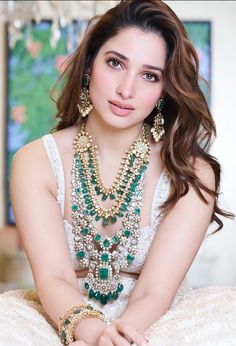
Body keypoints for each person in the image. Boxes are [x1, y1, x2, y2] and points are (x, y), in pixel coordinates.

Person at [0, 0, 236, 345]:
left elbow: (155, 290)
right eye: (115, 63)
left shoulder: (191, 172)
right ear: (89, 65)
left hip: (152, 319)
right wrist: (93, 334)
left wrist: (117, 338)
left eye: (149, 75)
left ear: (163, 90)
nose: (127, 89)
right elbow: (54, 278)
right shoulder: (35, 162)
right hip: (62, 316)